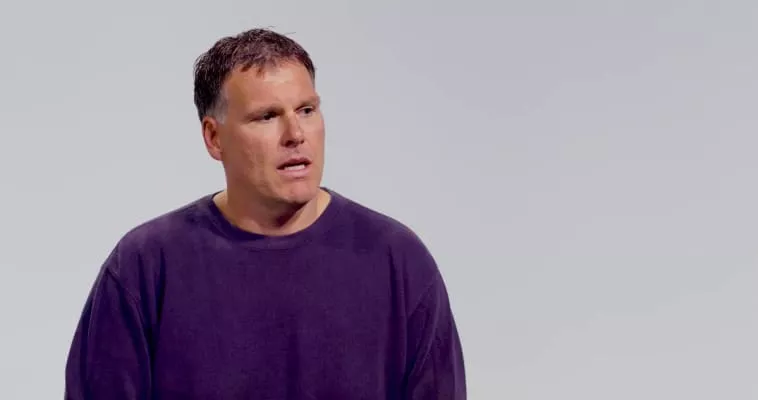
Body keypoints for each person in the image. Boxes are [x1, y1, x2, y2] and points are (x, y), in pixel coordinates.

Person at [64, 27, 466, 399]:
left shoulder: (398, 262)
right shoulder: (145, 267)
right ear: (214, 137)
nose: (295, 134)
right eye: (267, 116)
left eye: (306, 110)